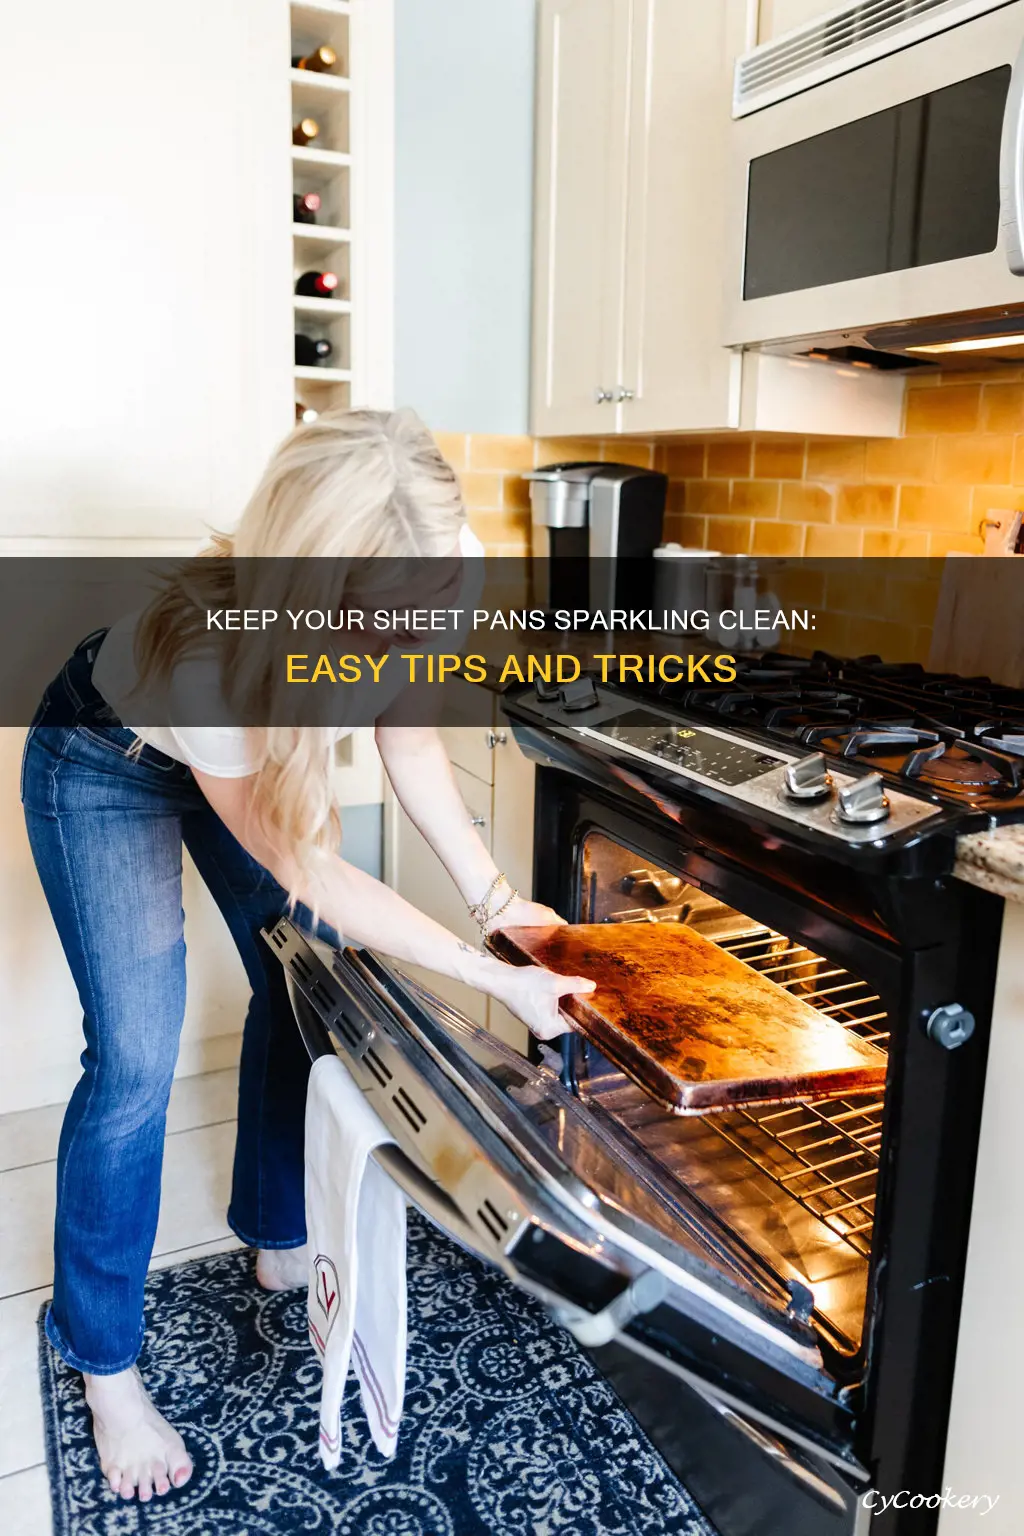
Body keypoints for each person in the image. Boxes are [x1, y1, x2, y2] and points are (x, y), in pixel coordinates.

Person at [21, 408, 594, 1504]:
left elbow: (406, 732)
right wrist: (489, 974)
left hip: (232, 763)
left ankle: (277, 1236)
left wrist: (496, 902)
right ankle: (106, 1370)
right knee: (135, 1066)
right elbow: (308, 868)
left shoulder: (437, 553)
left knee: (300, 982)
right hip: (105, 759)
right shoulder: (209, 653)